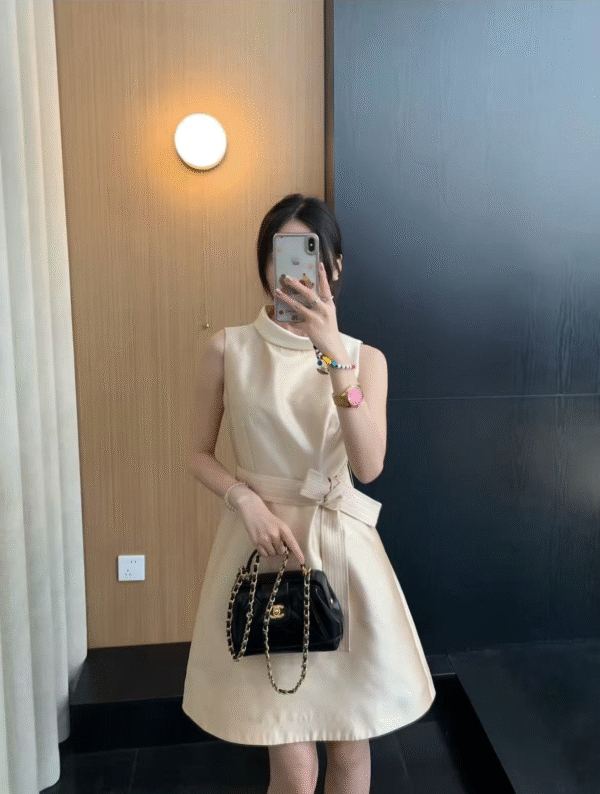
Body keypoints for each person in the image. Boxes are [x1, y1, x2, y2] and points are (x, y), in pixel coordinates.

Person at [182, 194, 436, 794]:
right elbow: (196, 453)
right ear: (264, 265)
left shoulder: (365, 359)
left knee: (350, 749)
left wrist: (334, 354)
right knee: (295, 771)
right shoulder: (228, 349)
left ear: (335, 267)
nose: (295, 271)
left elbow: (368, 465)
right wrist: (245, 500)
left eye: (310, 254)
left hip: (343, 553)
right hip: (264, 552)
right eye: (282, 254)